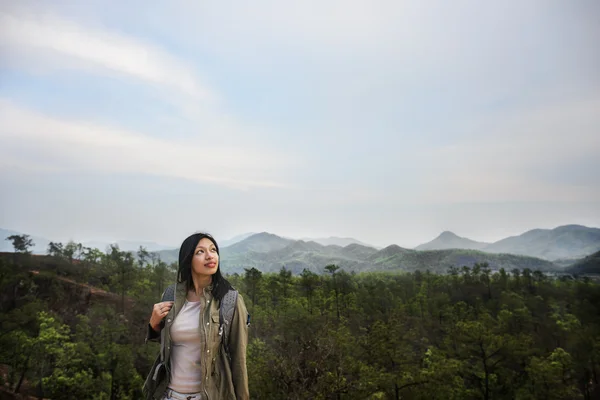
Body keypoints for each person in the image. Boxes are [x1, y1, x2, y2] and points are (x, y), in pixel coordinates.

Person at [143, 233, 249, 400]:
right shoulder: (171, 294)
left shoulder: (230, 301)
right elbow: (168, 345)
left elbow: (239, 361)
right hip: (169, 395)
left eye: (213, 250)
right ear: (188, 259)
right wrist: (154, 325)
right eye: (200, 252)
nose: (209, 255)